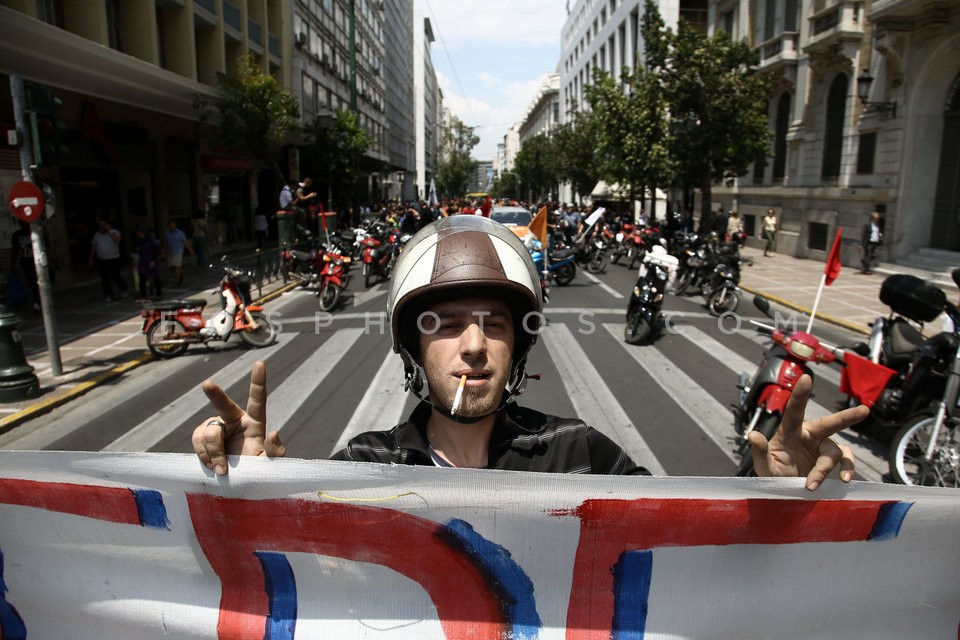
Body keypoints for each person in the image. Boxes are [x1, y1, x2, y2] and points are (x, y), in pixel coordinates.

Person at [192, 216, 864, 490]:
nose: (476, 345)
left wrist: (774, 493)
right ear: (411, 346)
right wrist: (251, 500)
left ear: (520, 344)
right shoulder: (363, 470)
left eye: (495, 324)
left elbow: (690, 561)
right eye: (446, 323)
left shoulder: (584, 457)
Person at [89, 219, 129, 303]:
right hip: (102, 260)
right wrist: (91, 258)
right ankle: (108, 295)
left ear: (107, 225)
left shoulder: (114, 232)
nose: (102, 227)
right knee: (104, 278)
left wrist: (109, 232)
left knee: (116, 276)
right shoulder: (97, 235)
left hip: (114, 259)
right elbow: (94, 246)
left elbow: (117, 240)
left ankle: (123, 288)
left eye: (103, 225)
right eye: (100, 225)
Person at [11, 221, 41, 312]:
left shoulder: (36, 232)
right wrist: (12, 264)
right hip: (26, 262)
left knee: (36, 282)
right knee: (31, 282)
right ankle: (35, 301)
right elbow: (15, 250)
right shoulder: (17, 235)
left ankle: (37, 301)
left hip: (37, 261)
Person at [162, 220, 193, 287]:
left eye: (173, 225)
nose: (172, 227)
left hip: (178, 252)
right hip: (170, 252)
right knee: (171, 267)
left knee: (177, 266)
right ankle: (180, 274)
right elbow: (165, 244)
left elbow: (185, 242)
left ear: (175, 226)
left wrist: (190, 251)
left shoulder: (180, 233)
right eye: (170, 225)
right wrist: (163, 253)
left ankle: (178, 281)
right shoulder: (167, 234)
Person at [135, 226, 162, 299]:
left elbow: (156, 250)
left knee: (155, 277)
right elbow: (139, 252)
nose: (140, 235)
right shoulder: (139, 241)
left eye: (141, 234)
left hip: (152, 260)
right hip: (143, 261)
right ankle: (143, 295)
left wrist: (153, 260)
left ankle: (158, 294)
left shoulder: (151, 240)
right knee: (142, 278)